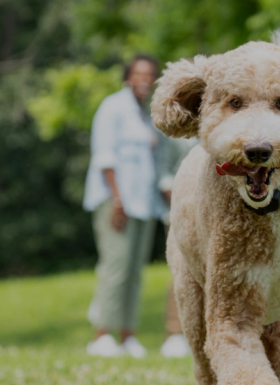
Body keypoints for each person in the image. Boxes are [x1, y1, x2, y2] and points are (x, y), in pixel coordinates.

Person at [83, 55, 164, 358]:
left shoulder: (146, 116)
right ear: (128, 76)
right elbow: (105, 157)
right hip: (116, 202)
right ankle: (102, 334)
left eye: (149, 75)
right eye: (139, 74)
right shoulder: (112, 107)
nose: (144, 79)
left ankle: (127, 334)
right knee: (115, 268)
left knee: (134, 272)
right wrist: (117, 200)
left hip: (144, 204)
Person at [156, 134, 197, 359]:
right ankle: (174, 333)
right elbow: (162, 174)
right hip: (179, 211)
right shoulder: (172, 135)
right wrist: (182, 197)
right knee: (181, 271)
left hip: (211, 213)